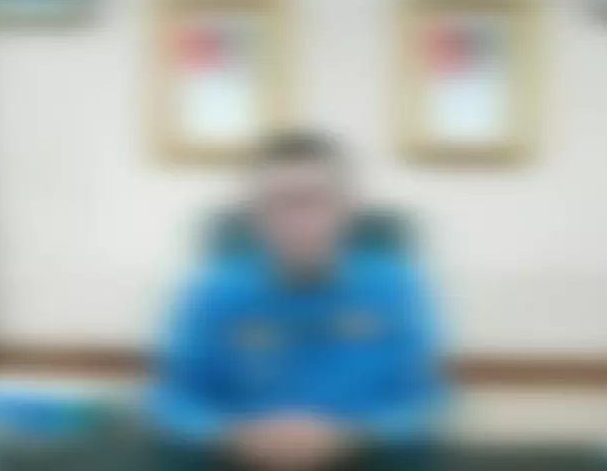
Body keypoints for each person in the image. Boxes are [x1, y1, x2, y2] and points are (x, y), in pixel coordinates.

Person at [152, 132, 440, 470]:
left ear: (348, 208)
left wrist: (349, 436)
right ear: (254, 214)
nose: (298, 220)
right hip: (241, 460)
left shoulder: (395, 288)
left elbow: (424, 402)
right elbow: (173, 401)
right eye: (279, 203)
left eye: (315, 201)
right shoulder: (212, 292)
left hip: (363, 459)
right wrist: (233, 434)